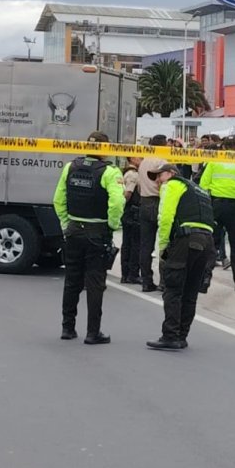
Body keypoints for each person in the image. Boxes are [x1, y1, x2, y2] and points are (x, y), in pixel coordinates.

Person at [53, 131, 125, 345]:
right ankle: (93, 333)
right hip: (97, 231)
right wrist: (112, 225)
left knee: (72, 280)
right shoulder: (110, 172)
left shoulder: (70, 167)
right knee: (95, 282)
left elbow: (58, 199)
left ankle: (68, 328)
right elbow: (117, 203)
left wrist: (67, 223)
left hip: (74, 230)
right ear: (105, 149)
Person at [146, 163, 216, 350]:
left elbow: (166, 217)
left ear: (171, 173)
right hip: (207, 242)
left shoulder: (173, 185)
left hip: (186, 239)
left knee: (173, 289)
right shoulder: (198, 189)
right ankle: (181, 336)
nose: (158, 182)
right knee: (190, 291)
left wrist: (163, 248)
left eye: (159, 176)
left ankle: (170, 336)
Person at [199, 137, 235, 291]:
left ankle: (204, 280)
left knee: (210, 244)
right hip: (234, 207)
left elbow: (203, 184)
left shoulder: (214, 160)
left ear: (222, 147)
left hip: (215, 205)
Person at [137, 135, 170, 292]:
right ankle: (164, 281)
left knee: (145, 245)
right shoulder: (162, 162)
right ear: (163, 145)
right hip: (159, 202)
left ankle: (146, 280)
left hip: (144, 202)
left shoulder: (144, 161)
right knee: (164, 243)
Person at [120, 156, 143, 284]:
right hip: (133, 212)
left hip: (129, 212)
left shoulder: (127, 173)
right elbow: (128, 194)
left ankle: (126, 273)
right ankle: (132, 274)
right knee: (134, 244)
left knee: (128, 243)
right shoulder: (133, 175)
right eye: (140, 158)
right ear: (133, 159)